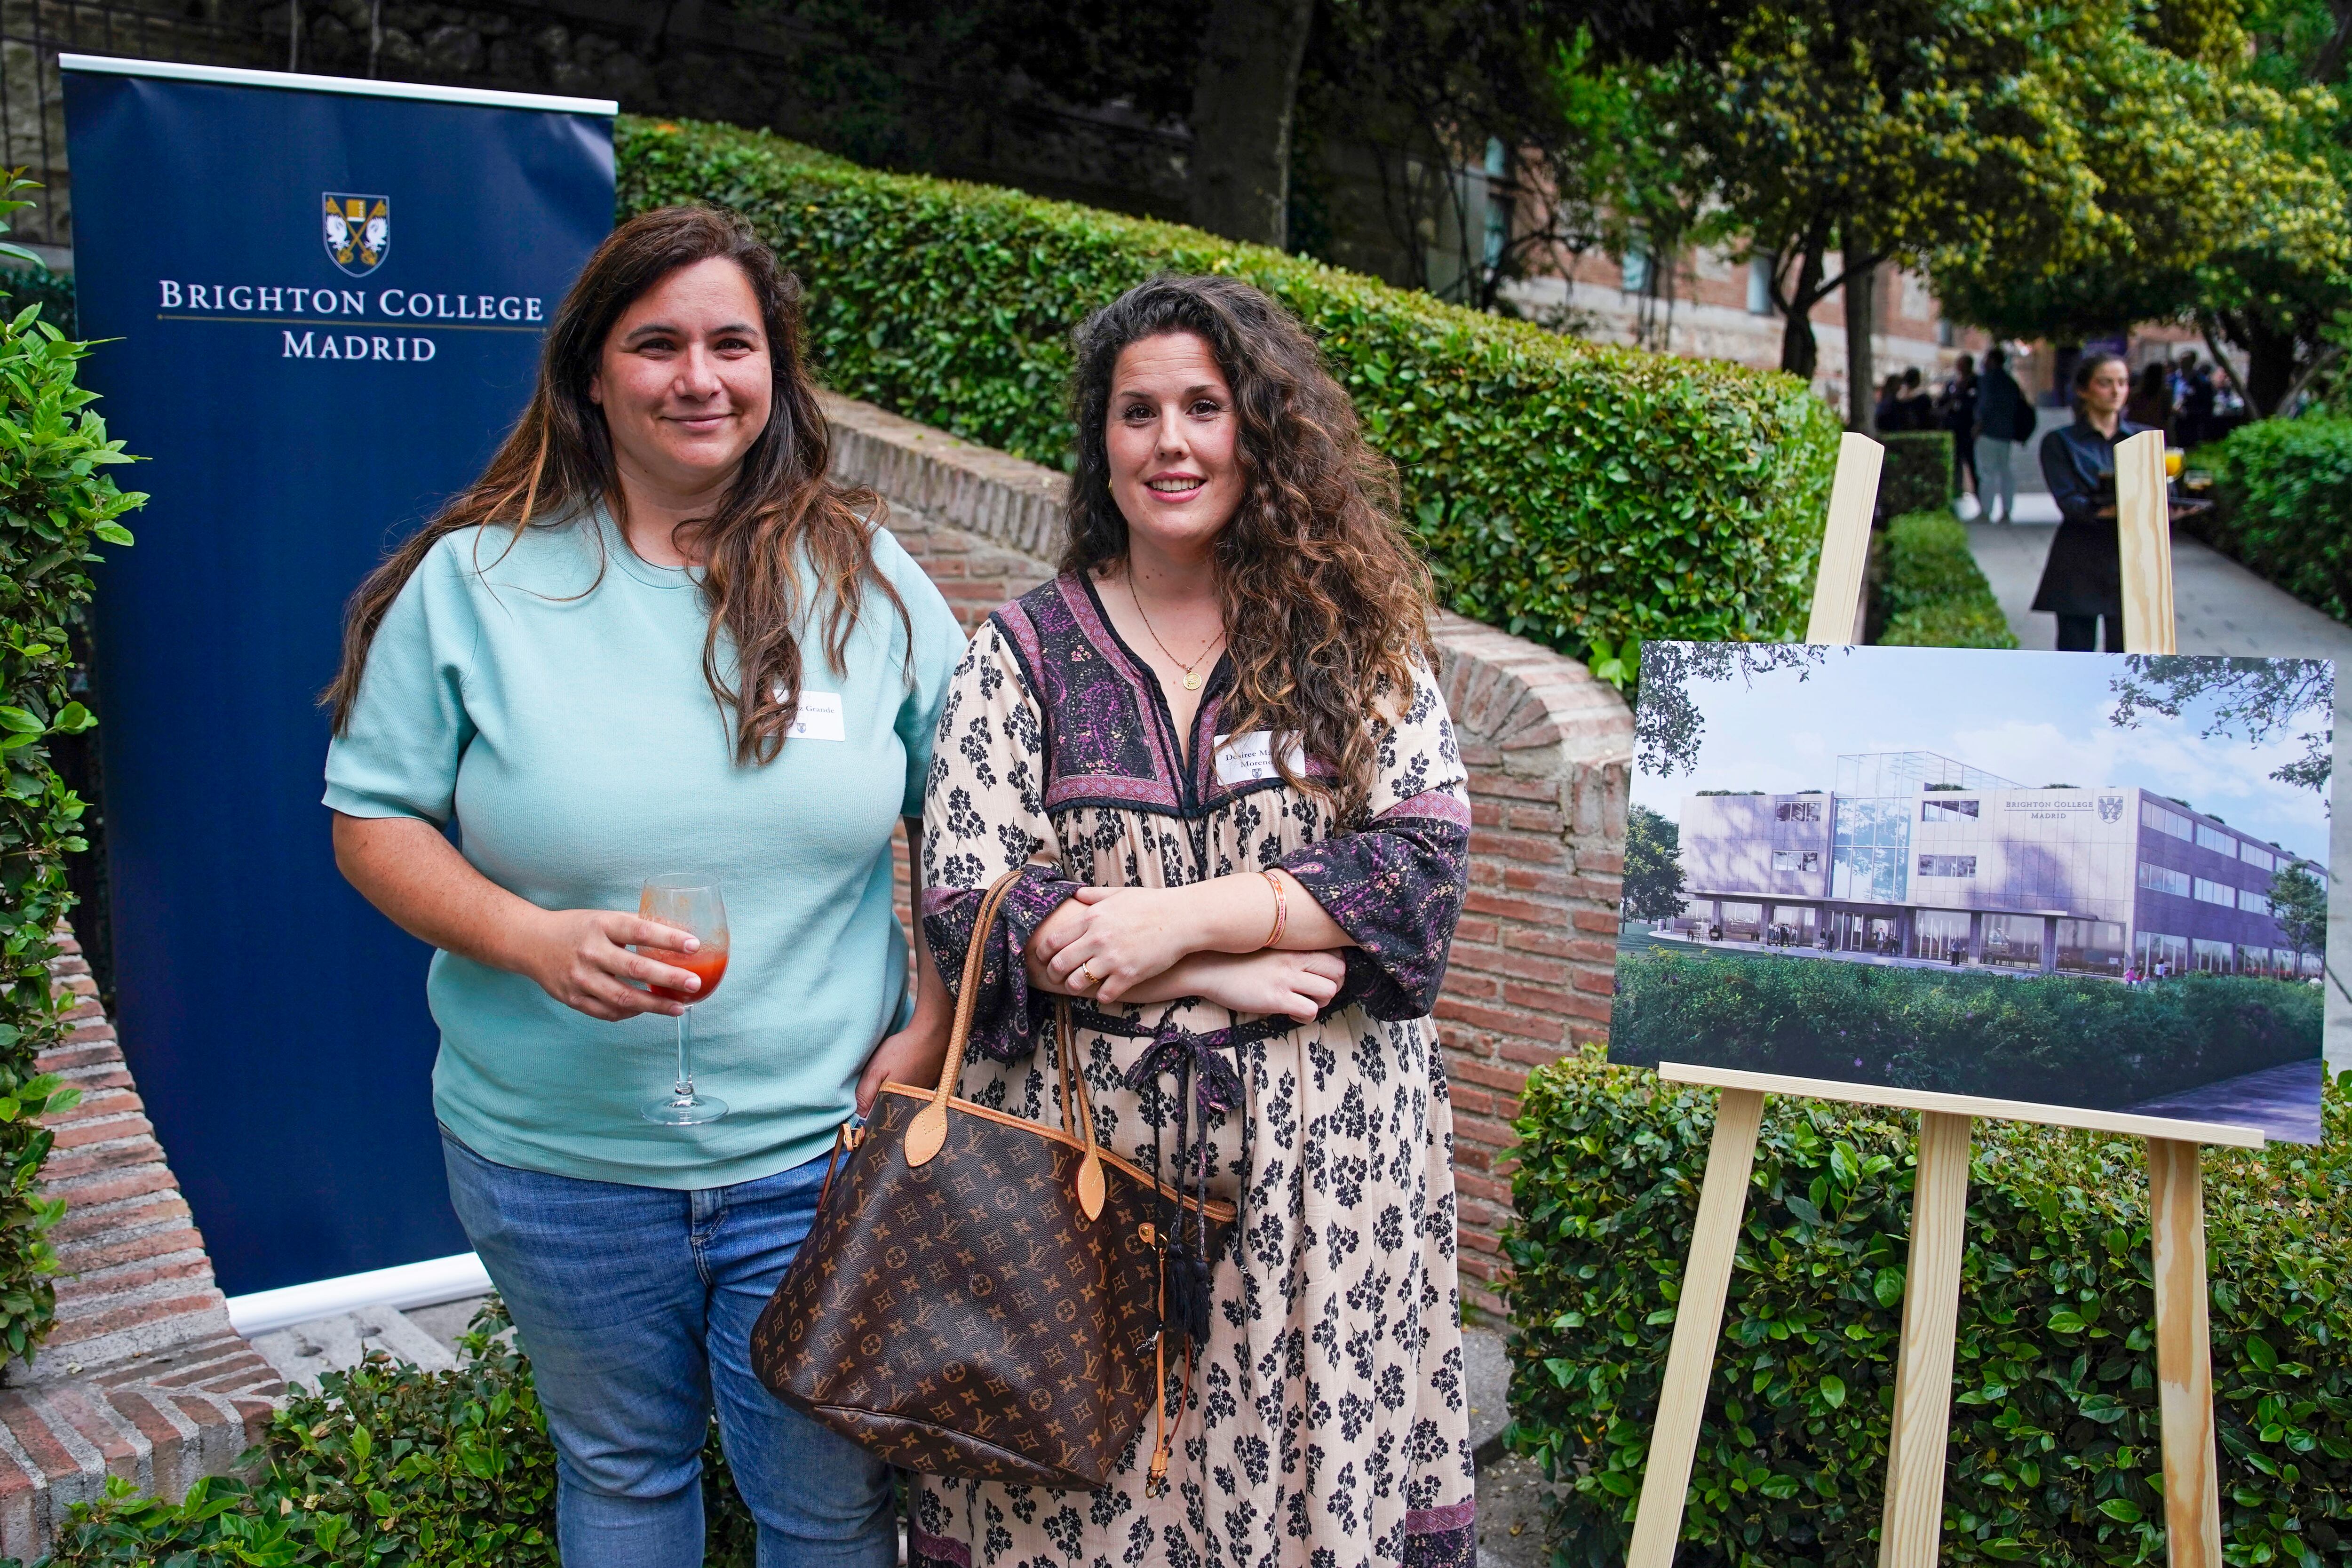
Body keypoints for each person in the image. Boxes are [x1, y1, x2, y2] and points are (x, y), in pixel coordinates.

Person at [321, 206, 968, 1567]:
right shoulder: (478, 583)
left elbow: (976, 829)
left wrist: (938, 1009)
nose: (699, 376)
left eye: (733, 343)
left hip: (819, 1154)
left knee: (828, 1507)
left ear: (776, 371)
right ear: (592, 373)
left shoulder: (867, 583)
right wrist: (529, 936)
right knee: (619, 1474)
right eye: (656, 342)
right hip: (553, 1160)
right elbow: (374, 818)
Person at [911, 274, 1477, 1568]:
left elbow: (1423, 876)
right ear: (1099, 442)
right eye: (1136, 412)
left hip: (1326, 1193)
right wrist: (1232, 968)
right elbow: (967, 899)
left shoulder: (1356, 638)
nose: (1170, 442)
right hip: (1082, 1191)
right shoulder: (1023, 652)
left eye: (1204, 407)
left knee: (1302, 1498)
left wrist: (1179, 923)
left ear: (1258, 429)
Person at [2032, 351, 2151, 651]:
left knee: (2129, 666)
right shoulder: (2060, 442)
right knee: (2076, 661)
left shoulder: (2144, 439)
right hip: (2079, 559)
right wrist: (2119, 508)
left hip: (2131, 559)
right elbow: (2070, 503)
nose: (2116, 391)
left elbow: (2163, 496)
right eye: (2105, 383)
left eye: (2123, 383)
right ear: (2084, 390)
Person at [1974, 345, 2030, 523]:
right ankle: (2007, 510)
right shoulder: (2011, 382)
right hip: (2006, 433)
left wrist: (1979, 424)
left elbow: (1985, 404)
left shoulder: (1987, 380)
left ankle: (1986, 511)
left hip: (1989, 432)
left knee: (1987, 473)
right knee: (2005, 472)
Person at [1939, 353, 1979, 500]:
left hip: (1968, 429)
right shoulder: (1952, 384)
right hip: (1953, 428)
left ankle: (1978, 495)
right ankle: (1956, 492)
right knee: (1954, 463)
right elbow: (1943, 401)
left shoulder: (1976, 382)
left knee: (1972, 463)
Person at [2126, 361, 2173, 430]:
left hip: (2138, 430)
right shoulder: (2166, 394)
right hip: (2157, 430)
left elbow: (2131, 414)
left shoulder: (2135, 394)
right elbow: (2167, 415)